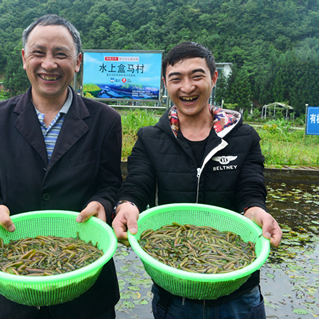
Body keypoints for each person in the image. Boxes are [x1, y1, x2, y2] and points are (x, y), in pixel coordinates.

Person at [0, 14, 122, 319]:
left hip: (87, 288)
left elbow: (110, 184)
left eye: (60, 54)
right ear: (24, 58)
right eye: (39, 53)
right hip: (15, 285)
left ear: (77, 62)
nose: (49, 64)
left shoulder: (106, 120)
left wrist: (103, 204)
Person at [112, 42, 282, 319]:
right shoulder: (150, 138)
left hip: (238, 292)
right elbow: (137, 182)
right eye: (176, 78)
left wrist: (257, 211)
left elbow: (251, 189)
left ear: (213, 79)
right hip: (174, 293)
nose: (187, 87)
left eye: (197, 76)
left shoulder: (243, 137)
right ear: (165, 83)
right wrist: (127, 204)